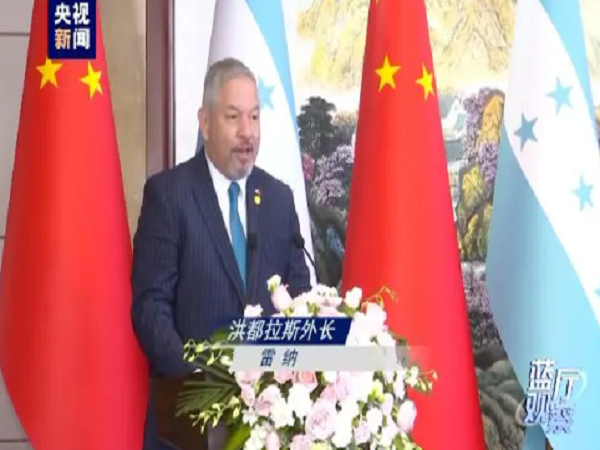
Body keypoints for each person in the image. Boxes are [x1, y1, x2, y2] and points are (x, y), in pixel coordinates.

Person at [131, 57, 311, 450]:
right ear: (206, 122)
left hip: (269, 426)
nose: (247, 132)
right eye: (233, 117)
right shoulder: (170, 195)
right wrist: (202, 387)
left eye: (254, 116)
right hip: (188, 427)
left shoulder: (278, 199)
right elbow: (151, 308)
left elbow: (300, 299)